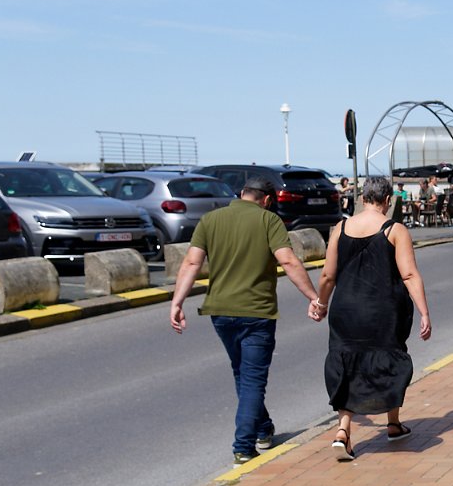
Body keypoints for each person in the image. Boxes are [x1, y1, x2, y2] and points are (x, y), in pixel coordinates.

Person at [168, 175, 322, 464]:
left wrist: (177, 302)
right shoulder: (268, 220)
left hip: (220, 312)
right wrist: (313, 296)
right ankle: (243, 446)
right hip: (256, 313)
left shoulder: (211, 220)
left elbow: (191, 262)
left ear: (241, 193)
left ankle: (263, 428)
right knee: (252, 379)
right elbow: (288, 260)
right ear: (267, 200)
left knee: (242, 373)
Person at [311, 177, 432, 461]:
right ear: (388, 200)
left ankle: (343, 431)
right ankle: (393, 423)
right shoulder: (395, 229)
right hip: (384, 310)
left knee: (346, 362)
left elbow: (328, 275)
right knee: (389, 359)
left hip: (345, 309)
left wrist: (321, 303)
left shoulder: (340, 228)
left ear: (363, 198)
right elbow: (409, 274)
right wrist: (424, 312)